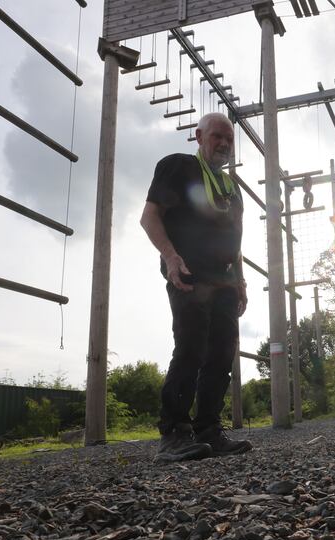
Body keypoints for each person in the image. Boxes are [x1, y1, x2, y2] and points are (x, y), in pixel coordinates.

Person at [141, 113, 252, 463]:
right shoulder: (179, 167)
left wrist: (241, 280)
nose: (223, 144)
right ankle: (173, 431)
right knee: (191, 347)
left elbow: (235, 242)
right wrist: (171, 257)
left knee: (221, 353)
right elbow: (150, 216)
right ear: (199, 136)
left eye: (229, 140)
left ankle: (208, 430)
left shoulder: (232, 190)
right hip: (188, 271)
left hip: (224, 280)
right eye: (217, 136)